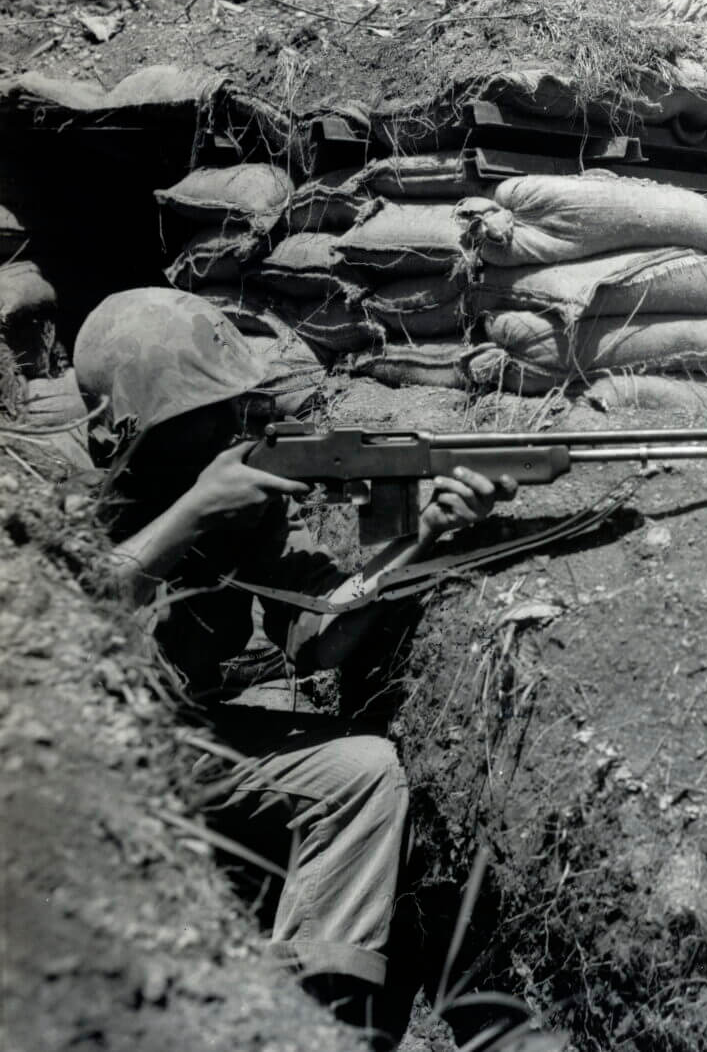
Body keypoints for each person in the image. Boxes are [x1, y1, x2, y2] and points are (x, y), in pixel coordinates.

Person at [73, 288, 522, 1048]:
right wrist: (189, 519)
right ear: (123, 430)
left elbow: (317, 644)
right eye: (197, 420)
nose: (227, 433)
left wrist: (423, 538)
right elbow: (59, 619)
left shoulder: (236, 496)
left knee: (364, 769)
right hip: (82, 765)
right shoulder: (41, 485)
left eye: (233, 411)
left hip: (190, 742)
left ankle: (313, 1028)